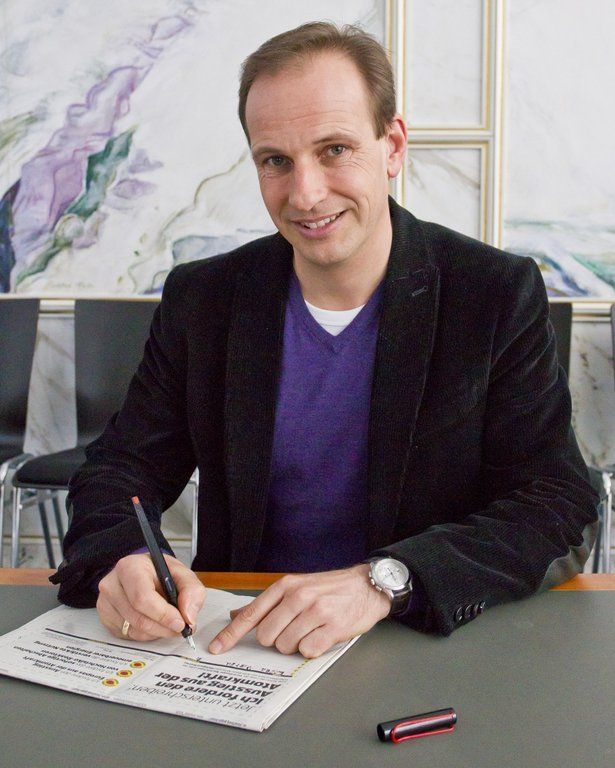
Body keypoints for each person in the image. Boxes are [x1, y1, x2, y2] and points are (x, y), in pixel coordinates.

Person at [51, 22, 598, 659]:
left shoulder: (492, 292)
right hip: (242, 646)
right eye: (276, 161)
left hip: (414, 640)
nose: (306, 194)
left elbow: (556, 503)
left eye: (334, 149)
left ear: (392, 146)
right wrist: (124, 554)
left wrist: (384, 582)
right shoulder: (206, 298)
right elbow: (121, 469)